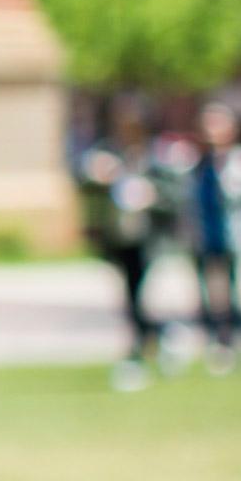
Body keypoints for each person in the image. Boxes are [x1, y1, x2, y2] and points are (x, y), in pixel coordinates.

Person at [75, 103, 170, 390]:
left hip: (146, 236)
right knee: (131, 293)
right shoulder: (110, 154)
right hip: (119, 237)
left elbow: (172, 196)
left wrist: (150, 195)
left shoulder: (153, 158)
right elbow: (86, 181)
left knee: (138, 292)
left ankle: (149, 339)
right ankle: (152, 338)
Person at [187, 101, 241, 372]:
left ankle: (230, 338)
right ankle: (216, 340)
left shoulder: (236, 161)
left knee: (233, 289)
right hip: (206, 235)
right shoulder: (197, 163)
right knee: (208, 291)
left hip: (234, 237)